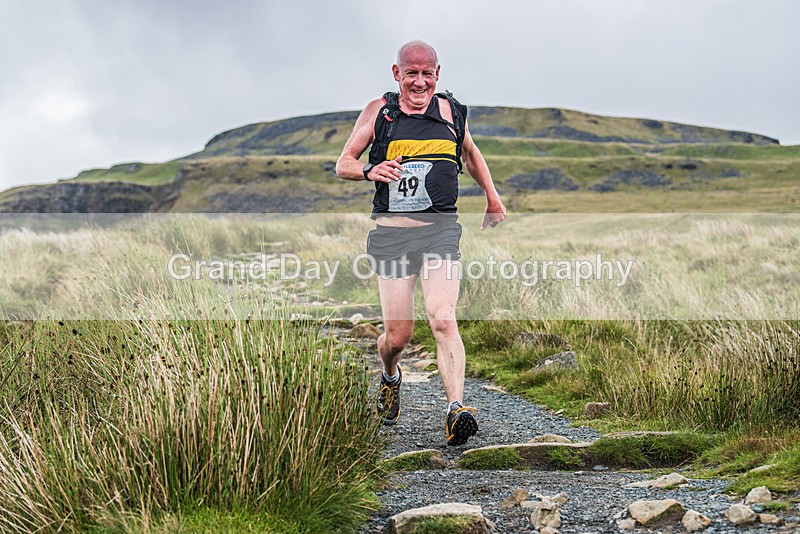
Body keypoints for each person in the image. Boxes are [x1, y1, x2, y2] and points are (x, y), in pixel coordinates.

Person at [336, 40, 505, 446]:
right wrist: (370, 170)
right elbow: (344, 163)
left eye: (427, 73)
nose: (419, 81)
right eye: (410, 73)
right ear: (396, 74)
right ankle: (390, 375)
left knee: (443, 318)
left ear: (437, 74)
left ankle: (455, 409)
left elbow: (470, 153)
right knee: (398, 338)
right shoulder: (380, 113)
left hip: (439, 231)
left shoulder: (451, 112)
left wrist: (492, 197)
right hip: (393, 238)